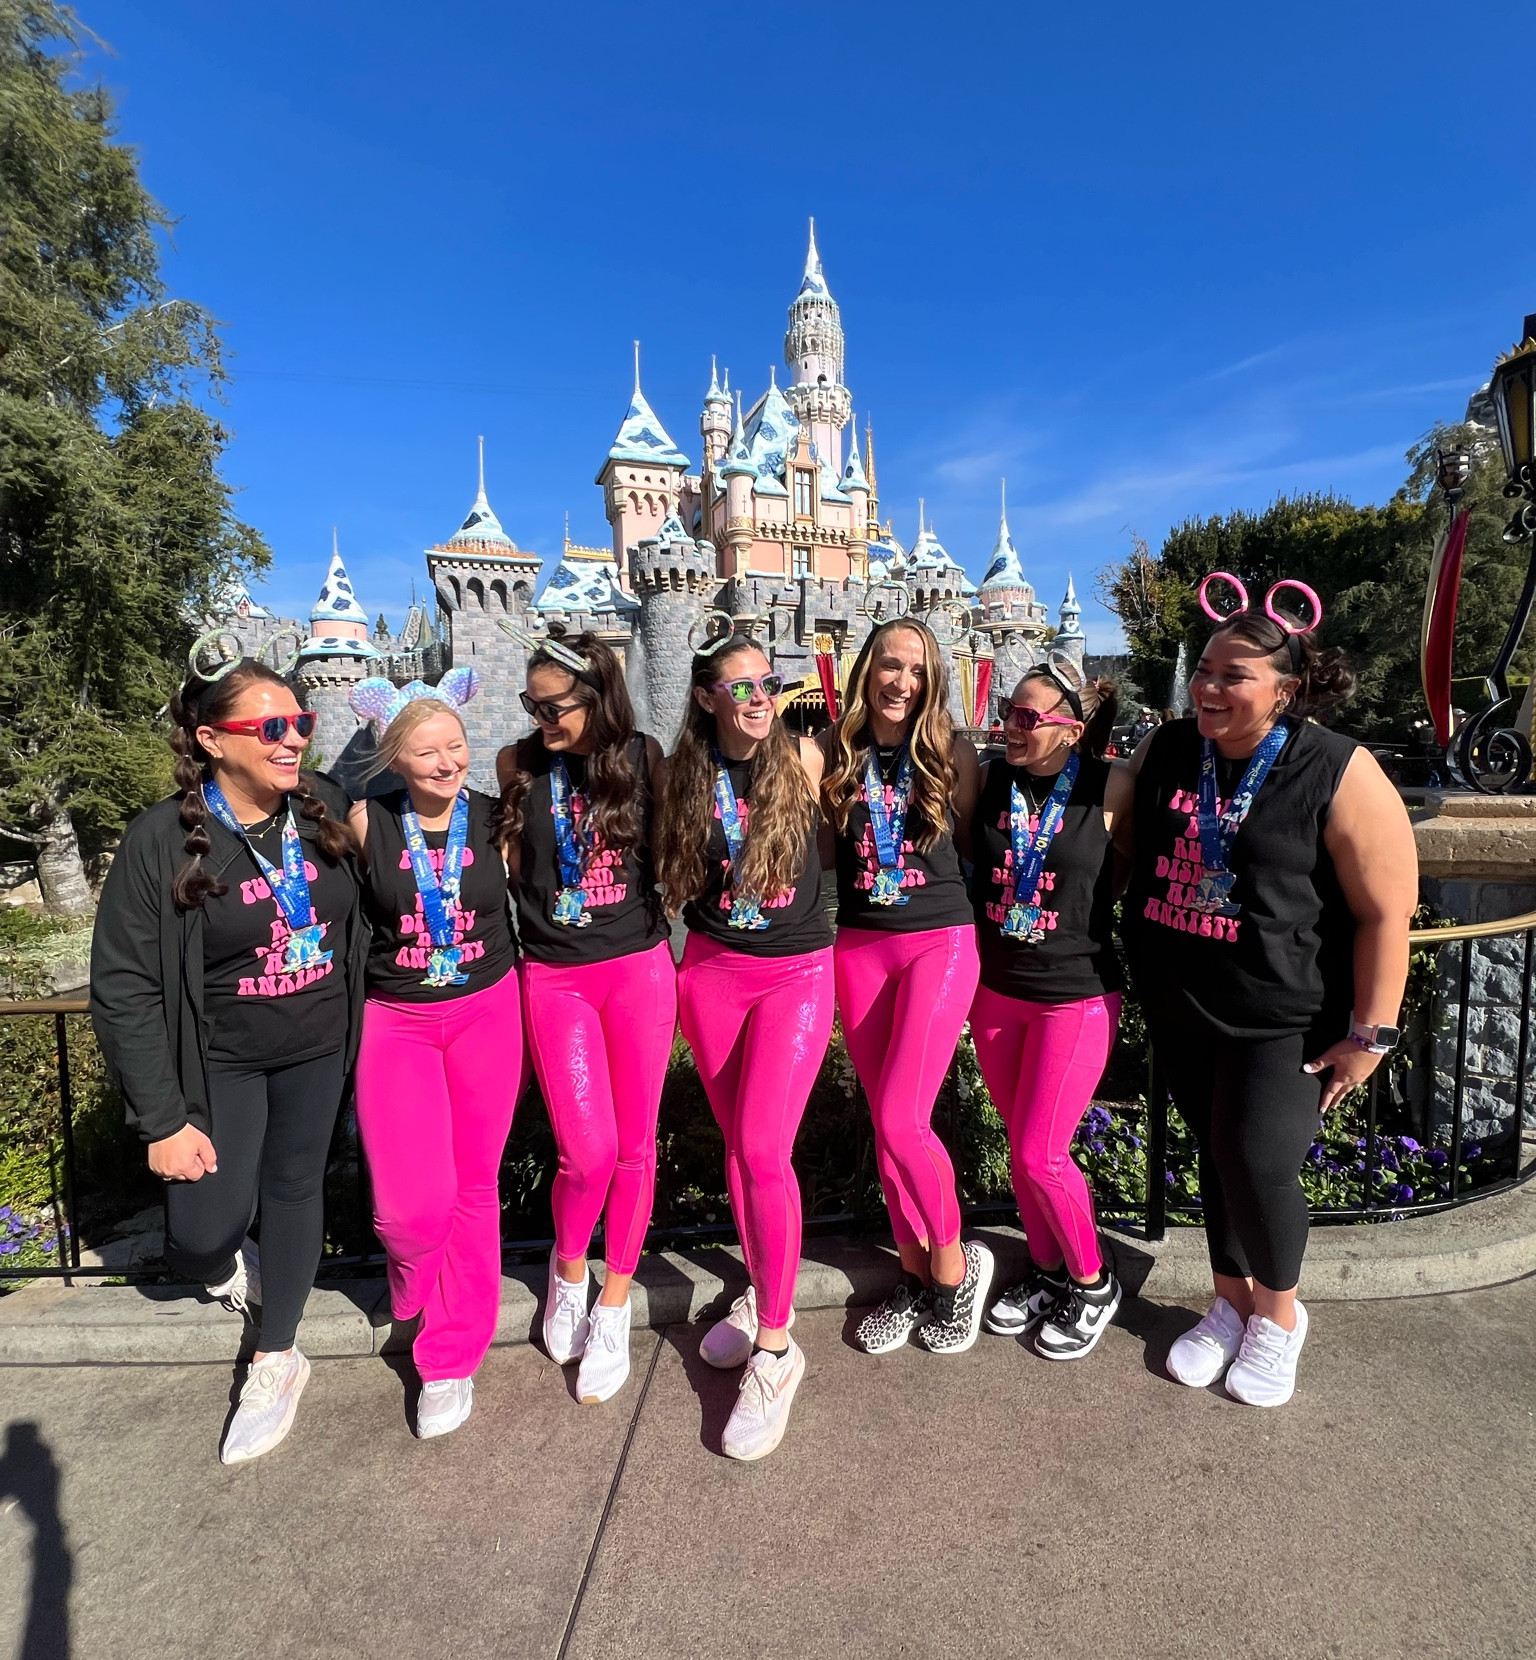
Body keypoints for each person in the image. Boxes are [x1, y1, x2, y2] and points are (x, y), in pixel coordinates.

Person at [1119, 576, 1417, 1406]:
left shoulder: (1337, 766)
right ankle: (1230, 1301)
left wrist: (1371, 1036)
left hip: (1280, 1018)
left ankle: (1280, 1319)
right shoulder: (1173, 748)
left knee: (1259, 1161)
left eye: (1233, 675)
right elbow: (1111, 821)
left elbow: (1386, 911)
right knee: (1217, 1157)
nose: (1209, 687)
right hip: (1184, 1003)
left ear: (1284, 689)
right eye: (1204, 670)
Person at [90, 650, 365, 1463]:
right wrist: (162, 1119)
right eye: (272, 728)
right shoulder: (162, 840)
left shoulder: (323, 807)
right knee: (204, 1229)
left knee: (293, 1190)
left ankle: (278, 1353)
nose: (294, 742)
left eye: (302, 725)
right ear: (212, 739)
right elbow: (124, 987)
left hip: (318, 1047)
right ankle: (224, 1269)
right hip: (222, 1060)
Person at [654, 639, 832, 1460]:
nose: (762, 695)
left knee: (764, 1147)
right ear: (705, 698)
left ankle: (776, 1347)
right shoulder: (681, 777)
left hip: (795, 974)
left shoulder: (804, 754)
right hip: (714, 973)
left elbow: (900, 740)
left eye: (770, 682)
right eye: (744, 686)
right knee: (740, 1148)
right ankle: (763, 1293)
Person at [497, 633, 675, 1406]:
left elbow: (676, 852)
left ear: (599, 695)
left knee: (634, 1147)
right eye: (531, 705)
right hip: (556, 977)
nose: (542, 720)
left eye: (555, 706)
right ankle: (569, 1268)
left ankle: (614, 1301)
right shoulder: (516, 766)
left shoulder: (643, 757)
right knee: (586, 1153)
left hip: (637, 968)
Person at [346, 668, 521, 1439]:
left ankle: (450, 1357)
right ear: (395, 759)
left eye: (454, 746)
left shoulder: (495, 819)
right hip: (399, 1020)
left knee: (474, 1188)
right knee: (408, 1212)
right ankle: (413, 1282)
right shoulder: (364, 823)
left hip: (487, 1010)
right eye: (425, 752)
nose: (446, 763)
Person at [820, 619, 991, 1355]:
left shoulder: (952, 753)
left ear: (934, 681)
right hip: (860, 944)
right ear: (867, 671)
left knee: (900, 1117)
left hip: (939, 941)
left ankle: (956, 1270)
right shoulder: (832, 750)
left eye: (916, 671)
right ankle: (915, 1277)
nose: (901, 682)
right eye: (889, 666)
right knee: (885, 1133)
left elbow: (985, 846)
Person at [969, 660, 1132, 1359]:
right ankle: (1047, 1269)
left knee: (1041, 1153)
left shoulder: (1111, 786)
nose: (1010, 726)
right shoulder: (989, 779)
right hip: (998, 992)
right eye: (1008, 711)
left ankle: (1094, 1281)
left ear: (1071, 724)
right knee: (1020, 1147)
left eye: (1028, 717)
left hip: (1076, 995)